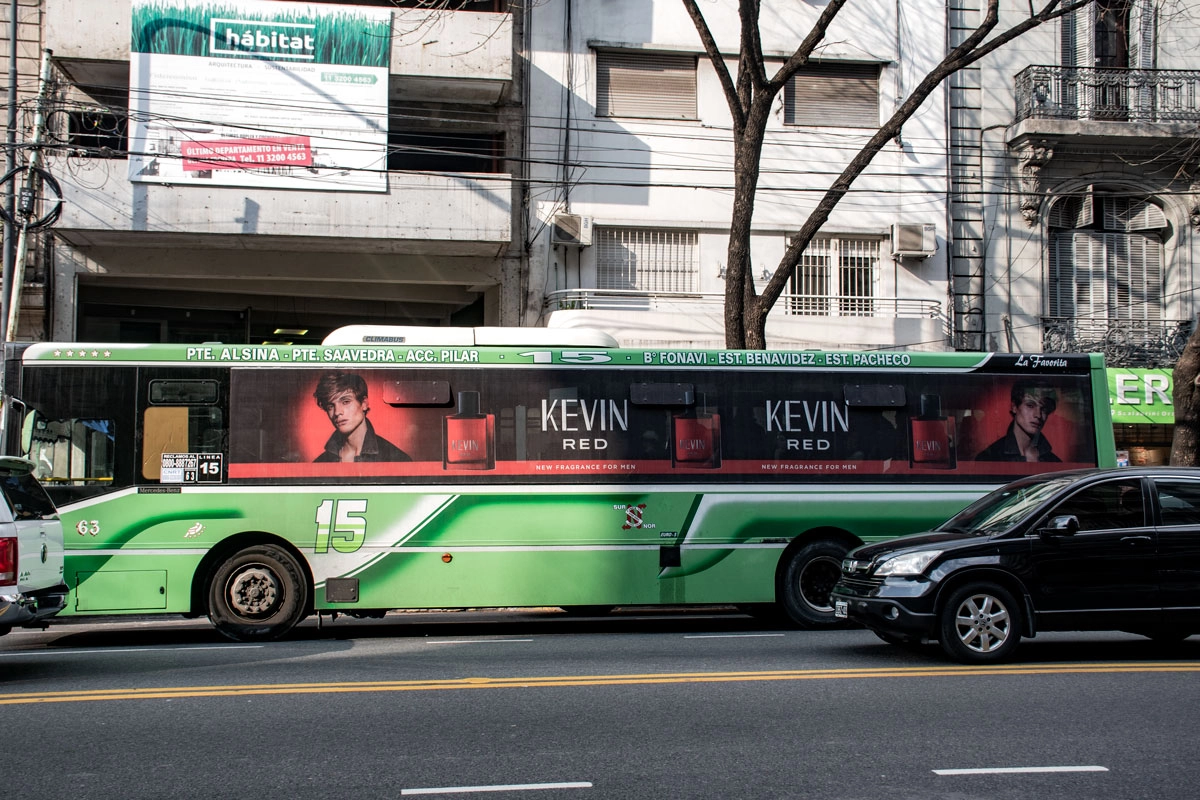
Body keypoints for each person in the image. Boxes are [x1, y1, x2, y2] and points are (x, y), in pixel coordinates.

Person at [312, 372, 411, 463]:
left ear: (364, 404)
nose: (337, 412)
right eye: (330, 406)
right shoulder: (319, 463)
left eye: (346, 402)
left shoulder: (396, 459)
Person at [975, 381, 1061, 463]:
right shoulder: (989, 458)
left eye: (1044, 409)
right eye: (1030, 405)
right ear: (1014, 407)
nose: (1038, 415)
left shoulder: (1054, 461)